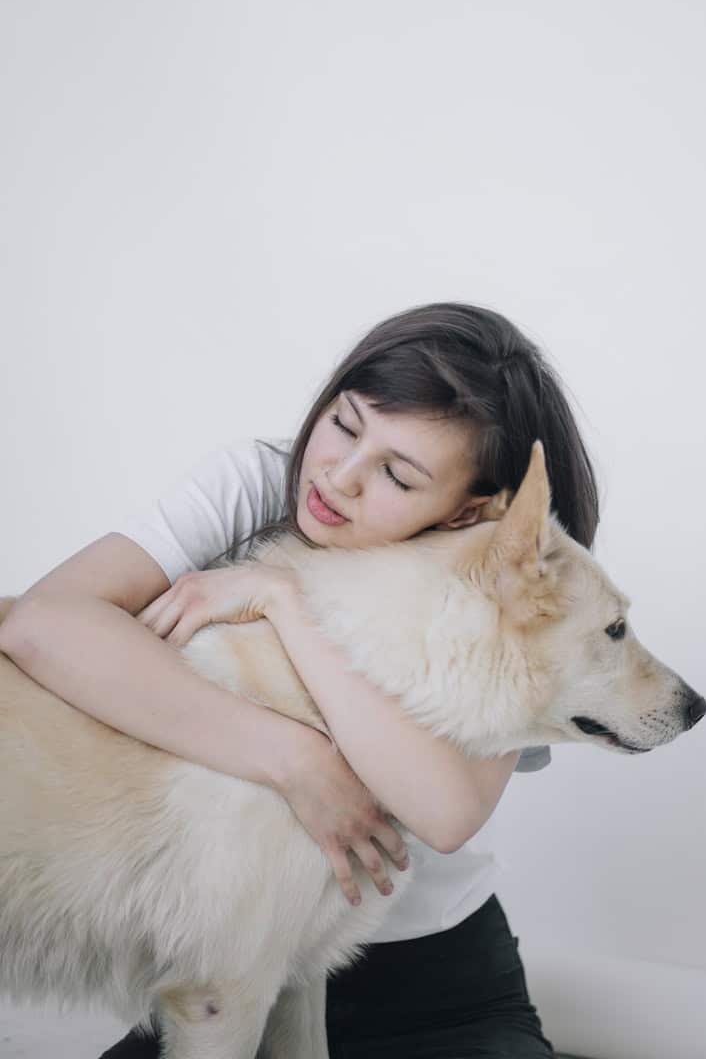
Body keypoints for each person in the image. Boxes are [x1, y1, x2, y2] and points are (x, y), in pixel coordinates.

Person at [1, 301, 599, 1058]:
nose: (339, 478)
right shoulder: (258, 482)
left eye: (397, 474)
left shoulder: (502, 586)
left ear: (467, 513)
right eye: (345, 425)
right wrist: (296, 759)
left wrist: (282, 601)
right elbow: (41, 626)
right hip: (234, 948)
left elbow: (446, 813)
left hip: (433, 982)